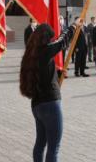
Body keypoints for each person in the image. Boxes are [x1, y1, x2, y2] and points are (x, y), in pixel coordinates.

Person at [20, 20, 77, 162]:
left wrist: (57, 73)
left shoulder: (31, 52)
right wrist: (74, 26)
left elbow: (41, 73)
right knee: (54, 147)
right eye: (50, 38)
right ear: (45, 38)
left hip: (37, 104)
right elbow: (62, 41)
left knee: (40, 143)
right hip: (50, 104)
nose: (51, 41)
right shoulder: (45, 51)